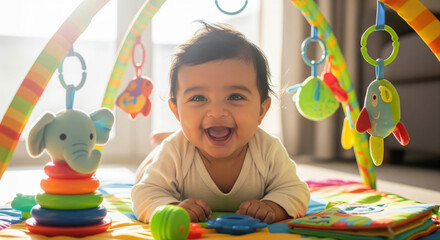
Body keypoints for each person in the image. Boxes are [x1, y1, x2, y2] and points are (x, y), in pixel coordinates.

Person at [131, 22, 310, 224]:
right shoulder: (174, 151)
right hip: (169, 153)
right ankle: (163, 140)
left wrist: (273, 206)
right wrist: (172, 209)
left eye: (235, 96)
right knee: (145, 170)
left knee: (188, 134)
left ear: (262, 110)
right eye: (198, 98)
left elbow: (295, 190)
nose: (217, 112)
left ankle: (178, 130)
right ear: (177, 111)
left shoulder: (268, 149)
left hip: (191, 133)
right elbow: (144, 193)